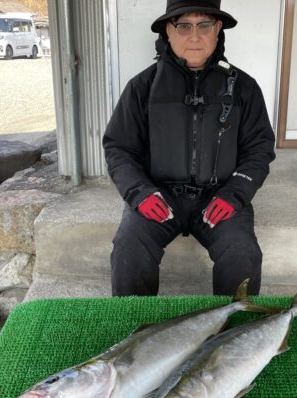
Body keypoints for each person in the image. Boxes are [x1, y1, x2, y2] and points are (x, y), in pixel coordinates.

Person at [103, 0, 275, 297]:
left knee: (242, 254)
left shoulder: (244, 88)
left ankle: (233, 322)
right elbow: (119, 148)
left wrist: (235, 193)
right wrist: (140, 193)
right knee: (129, 249)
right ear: (168, 31)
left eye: (204, 25)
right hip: (158, 195)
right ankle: (136, 324)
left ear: (217, 29)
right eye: (183, 26)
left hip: (219, 196)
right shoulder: (142, 87)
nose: (194, 36)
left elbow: (259, 149)